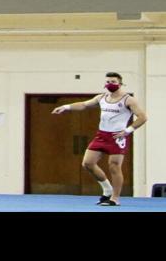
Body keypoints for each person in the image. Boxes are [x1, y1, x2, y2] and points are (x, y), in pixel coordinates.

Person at [50, 72, 148, 207]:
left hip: (117, 136)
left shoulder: (128, 100)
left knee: (114, 166)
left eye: (113, 82)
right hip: (101, 135)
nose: (110, 84)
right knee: (87, 163)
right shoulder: (101, 97)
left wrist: (127, 131)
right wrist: (66, 107)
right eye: (108, 82)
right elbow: (84, 105)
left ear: (120, 83)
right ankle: (107, 189)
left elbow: (142, 117)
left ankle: (115, 198)